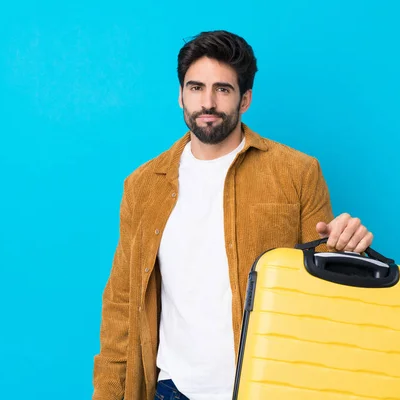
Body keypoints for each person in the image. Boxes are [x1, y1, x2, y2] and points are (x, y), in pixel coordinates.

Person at [92, 30, 374, 400]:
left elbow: (323, 295)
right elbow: (121, 306)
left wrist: (348, 249)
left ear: (245, 100)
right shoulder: (143, 186)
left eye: (223, 90)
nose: (207, 102)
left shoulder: (298, 173)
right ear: (180, 95)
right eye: (195, 88)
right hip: (173, 389)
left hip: (270, 387)